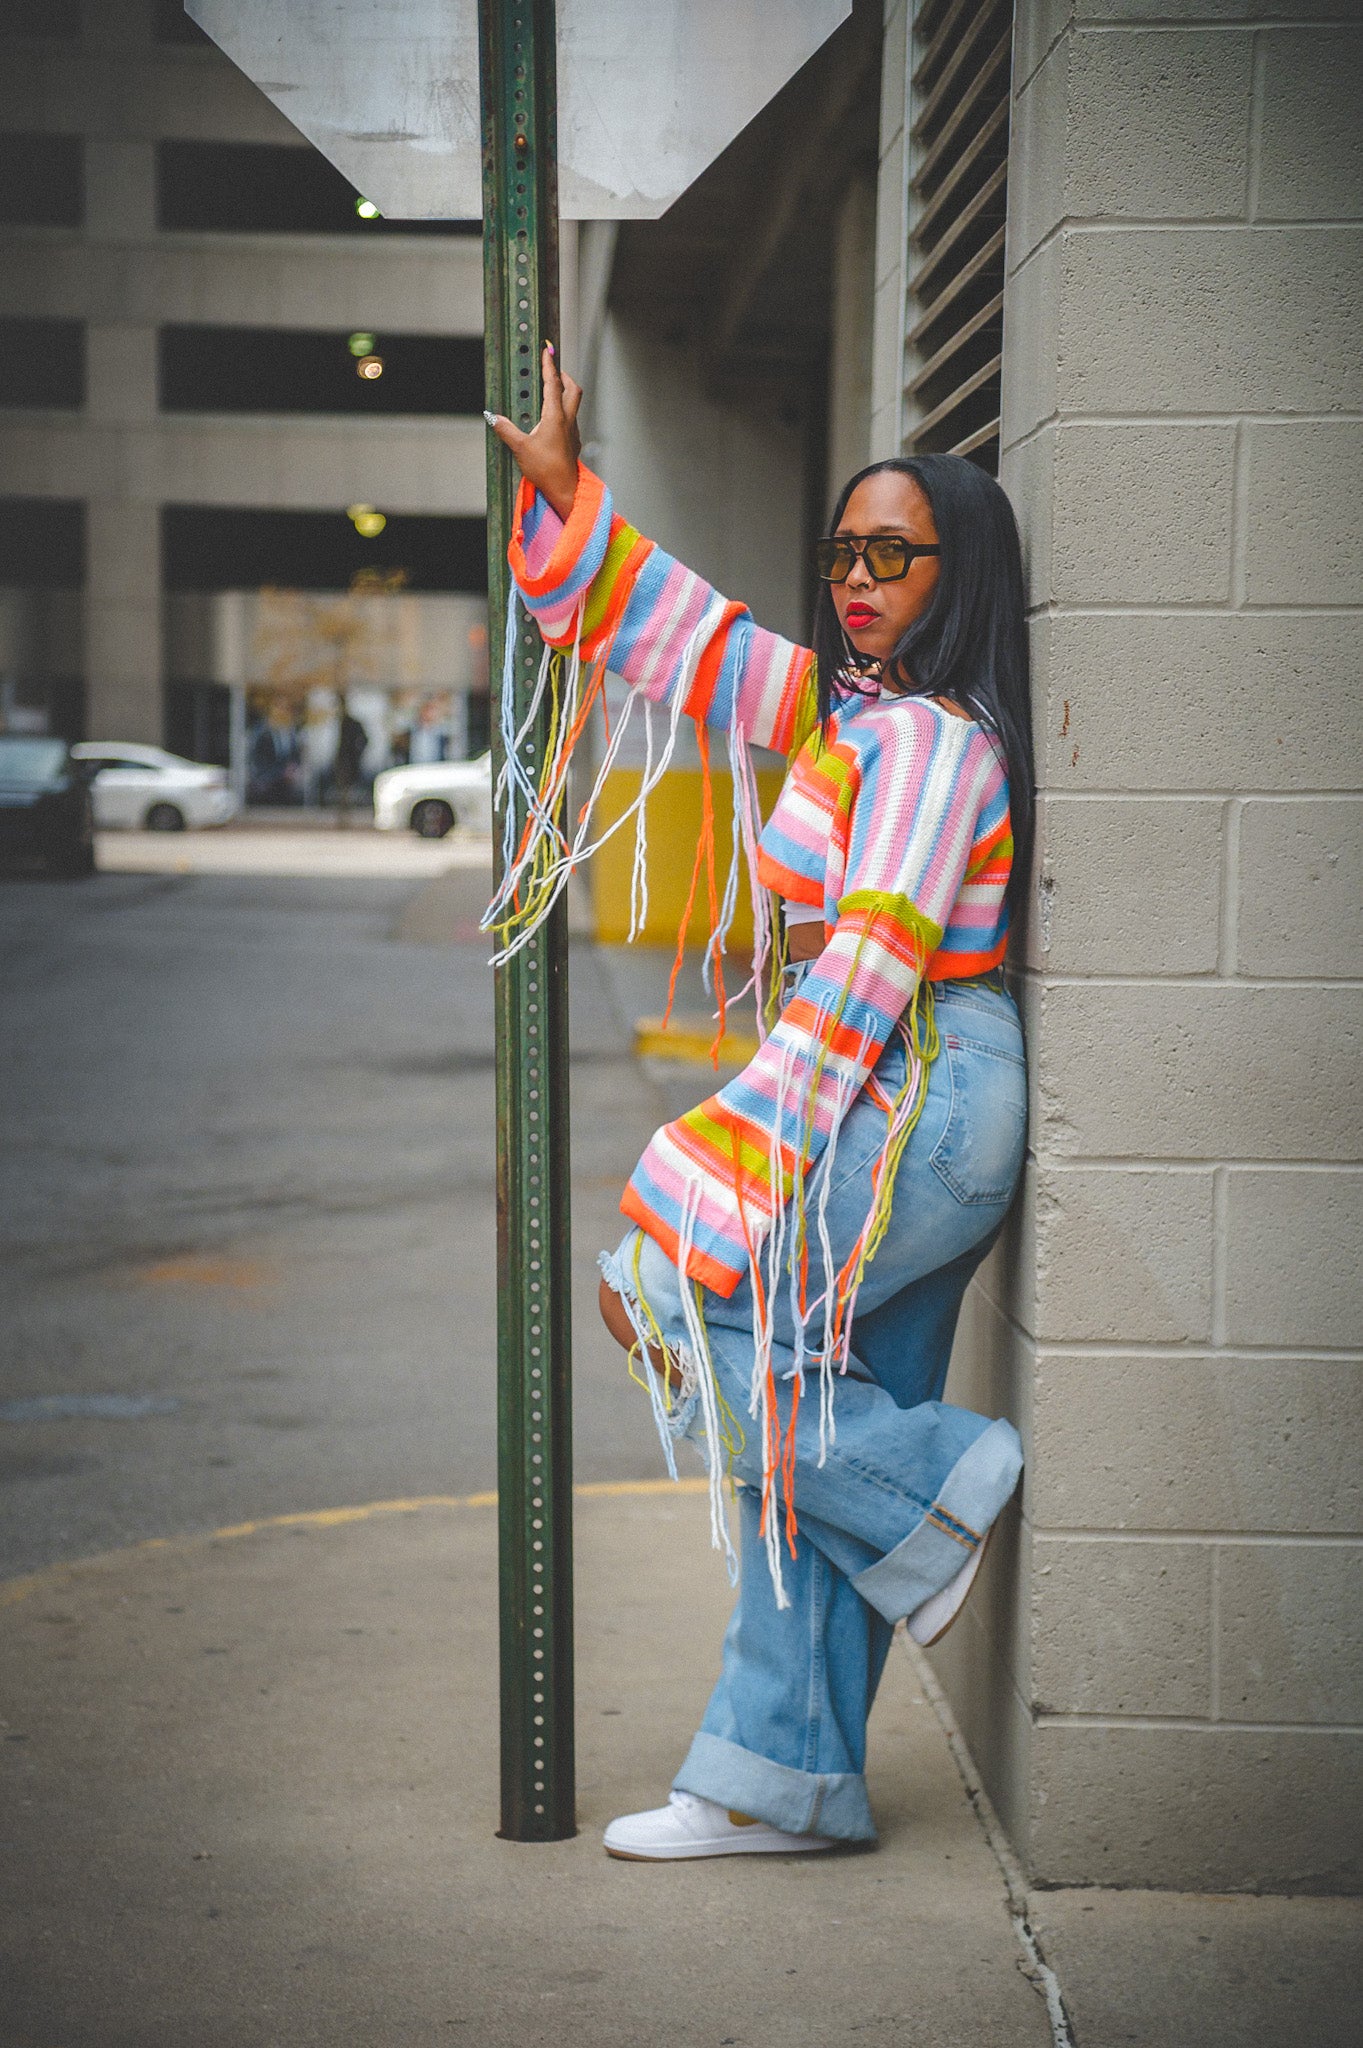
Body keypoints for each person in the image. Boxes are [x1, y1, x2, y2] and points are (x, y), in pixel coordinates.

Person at [486, 346, 1034, 1861]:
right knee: (800, 1430)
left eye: (895, 556)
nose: (858, 579)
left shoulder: (927, 745)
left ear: (958, 572)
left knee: (667, 1279)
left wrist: (715, 1159)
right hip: (910, 1082)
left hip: (915, 1077)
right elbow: (700, 644)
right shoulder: (850, 713)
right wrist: (571, 507)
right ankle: (778, 1783)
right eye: (844, 552)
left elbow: (866, 966)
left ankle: (938, 1479)